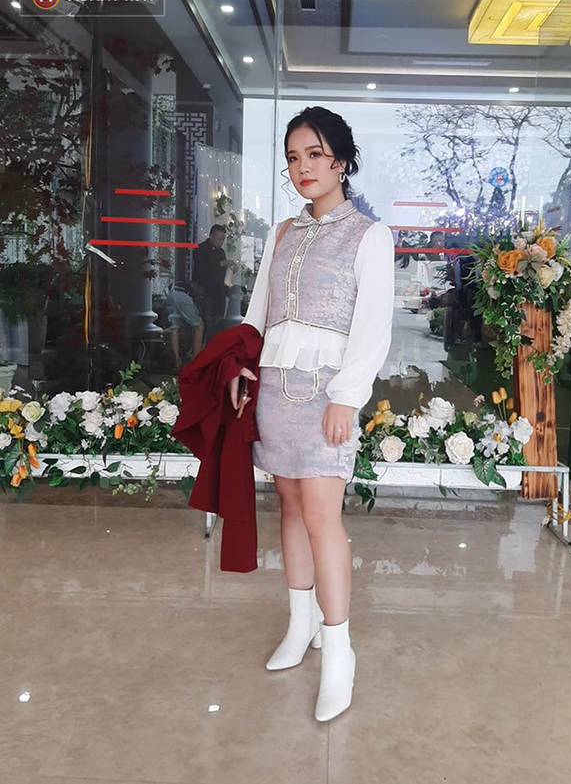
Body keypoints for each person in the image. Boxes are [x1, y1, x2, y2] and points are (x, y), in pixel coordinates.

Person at [231, 107, 394, 722]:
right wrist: (242, 365)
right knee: (291, 507)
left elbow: (373, 328)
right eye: (294, 158)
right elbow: (258, 313)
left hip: (328, 393)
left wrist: (346, 396)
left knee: (324, 516)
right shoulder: (281, 234)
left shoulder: (369, 235)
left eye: (316, 155)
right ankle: (300, 625)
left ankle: (339, 652)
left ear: (342, 161)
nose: (304, 167)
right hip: (276, 387)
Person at [193, 224, 238, 324]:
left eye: (223, 240)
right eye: (219, 239)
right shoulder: (200, 249)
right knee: (206, 322)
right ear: (211, 236)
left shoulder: (221, 252)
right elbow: (202, 267)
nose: (221, 242)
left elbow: (222, 272)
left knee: (219, 321)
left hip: (219, 293)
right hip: (204, 292)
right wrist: (221, 264)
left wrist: (231, 269)